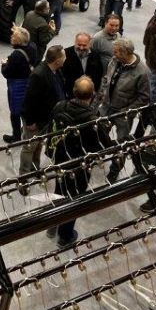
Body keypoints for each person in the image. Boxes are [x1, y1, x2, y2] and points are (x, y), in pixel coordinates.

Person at [45, 76, 111, 247]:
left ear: (73, 91)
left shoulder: (59, 106)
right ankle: (65, 236)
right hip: (80, 166)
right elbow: (105, 145)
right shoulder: (92, 120)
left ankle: (52, 225)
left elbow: (50, 128)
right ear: (93, 94)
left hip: (60, 159)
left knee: (59, 191)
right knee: (74, 199)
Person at [102, 38, 151, 181]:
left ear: (125, 53)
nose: (114, 54)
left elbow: (144, 98)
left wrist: (127, 111)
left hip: (123, 114)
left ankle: (114, 170)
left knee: (122, 145)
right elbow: (106, 79)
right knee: (98, 133)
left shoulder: (142, 72)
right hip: (106, 108)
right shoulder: (114, 60)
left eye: (116, 52)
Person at [19, 44, 66, 185]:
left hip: (45, 119)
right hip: (35, 120)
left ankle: (35, 168)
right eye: (64, 56)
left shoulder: (56, 70)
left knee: (38, 145)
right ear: (57, 60)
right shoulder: (39, 75)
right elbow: (29, 100)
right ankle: (23, 178)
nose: (66, 59)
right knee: (29, 147)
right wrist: (30, 122)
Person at [1, 27, 33, 142]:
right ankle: (25, 131)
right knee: (26, 109)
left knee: (15, 112)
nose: (10, 37)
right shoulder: (32, 47)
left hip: (16, 86)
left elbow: (6, 73)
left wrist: (4, 64)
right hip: (28, 82)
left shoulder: (16, 55)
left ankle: (16, 136)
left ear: (18, 41)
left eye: (13, 36)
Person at [62, 31, 103, 98]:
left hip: (90, 94)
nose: (81, 48)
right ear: (75, 43)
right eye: (79, 45)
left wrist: (95, 89)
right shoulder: (66, 54)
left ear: (89, 44)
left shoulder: (95, 56)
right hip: (71, 94)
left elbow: (99, 74)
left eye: (84, 45)